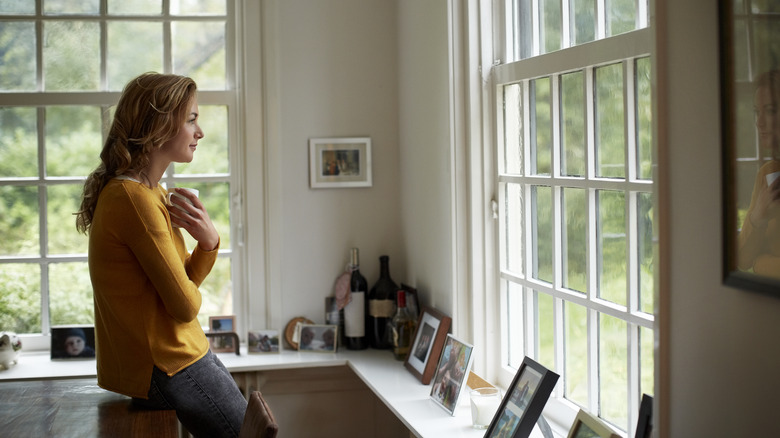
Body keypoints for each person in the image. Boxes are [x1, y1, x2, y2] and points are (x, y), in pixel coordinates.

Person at [75, 72, 247, 438]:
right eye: (192, 119)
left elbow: (179, 285)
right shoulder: (134, 199)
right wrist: (204, 253)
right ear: (158, 126)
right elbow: (184, 305)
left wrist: (207, 243)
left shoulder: (149, 193)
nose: (199, 132)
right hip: (168, 363)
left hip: (178, 355)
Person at [738, 69, 780, 279]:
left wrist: (760, 264)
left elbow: (752, 263)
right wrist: (758, 217)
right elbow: (743, 259)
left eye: (770, 111)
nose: (759, 122)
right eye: (757, 111)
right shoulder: (767, 174)